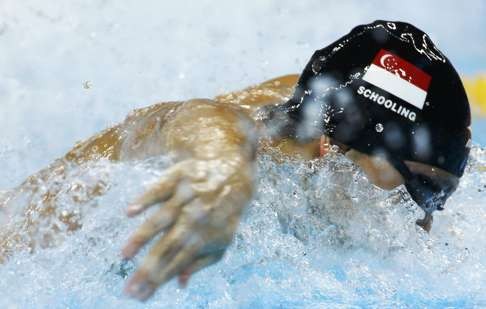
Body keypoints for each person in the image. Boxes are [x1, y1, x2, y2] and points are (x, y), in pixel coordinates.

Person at [0, 20, 471, 301]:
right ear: (335, 149)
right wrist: (221, 169)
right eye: (419, 188)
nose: (424, 217)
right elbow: (177, 121)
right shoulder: (257, 138)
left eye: (441, 193)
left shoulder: (338, 137)